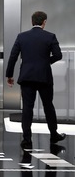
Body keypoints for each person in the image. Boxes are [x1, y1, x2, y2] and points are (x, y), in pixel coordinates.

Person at [6, 11, 66, 149]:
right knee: (48, 106)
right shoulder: (50, 36)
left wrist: (9, 75)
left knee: (27, 107)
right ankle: (53, 134)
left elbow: (13, 57)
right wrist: (46, 62)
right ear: (44, 22)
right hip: (44, 77)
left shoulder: (22, 37)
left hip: (26, 77)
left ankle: (27, 139)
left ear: (32, 21)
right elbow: (58, 55)